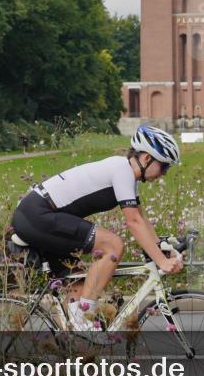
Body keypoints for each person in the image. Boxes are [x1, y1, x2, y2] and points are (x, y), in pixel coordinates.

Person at [10, 125, 184, 340]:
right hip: (37, 215)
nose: (164, 174)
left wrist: (161, 247)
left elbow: (141, 218)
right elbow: (133, 222)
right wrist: (162, 262)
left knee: (78, 287)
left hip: (38, 216)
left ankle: (72, 351)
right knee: (113, 245)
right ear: (147, 158)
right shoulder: (122, 171)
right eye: (164, 167)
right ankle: (80, 316)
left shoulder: (127, 175)